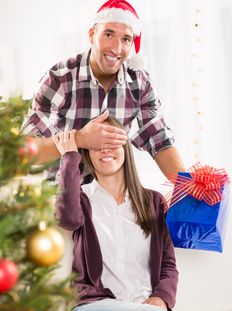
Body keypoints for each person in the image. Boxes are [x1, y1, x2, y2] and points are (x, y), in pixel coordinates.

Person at [53, 116, 190, 311]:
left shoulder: (153, 202)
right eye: (97, 145)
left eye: (113, 143)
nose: (105, 151)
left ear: (125, 149)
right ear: (88, 154)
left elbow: (168, 265)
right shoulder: (82, 200)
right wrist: (70, 154)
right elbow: (66, 218)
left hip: (145, 310)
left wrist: (161, 298)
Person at [21, 0, 185, 179]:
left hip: (112, 196)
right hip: (63, 196)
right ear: (92, 35)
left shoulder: (139, 82)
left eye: (126, 39)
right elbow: (25, 149)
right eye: (109, 34)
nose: (116, 48)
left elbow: (159, 141)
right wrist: (80, 139)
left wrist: (189, 188)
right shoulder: (60, 79)